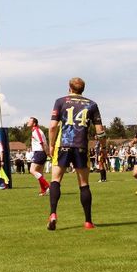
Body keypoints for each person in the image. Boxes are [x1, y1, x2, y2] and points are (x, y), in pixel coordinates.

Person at [46, 77, 105, 231]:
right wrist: (103, 148)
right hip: (81, 146)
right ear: (83, 89)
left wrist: (51, 144)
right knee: (84, 184)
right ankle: (88, 222)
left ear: (69, 88)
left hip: (63, 145)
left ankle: (53, 214)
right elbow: (100, 131)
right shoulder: (92, 104)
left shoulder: (60, 101)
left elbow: (52, 127)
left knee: (56, 180)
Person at [27, 118, 50, 195]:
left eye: (30, 121)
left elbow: (42, 142)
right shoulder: (35, 131)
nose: (28, 122)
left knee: (32, 170)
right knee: (40, 172)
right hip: (40, 152)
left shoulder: (36, 131)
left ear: (34, 123)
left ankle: (47, 185)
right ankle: (43, 191)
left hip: (39, 152)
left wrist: (46, 152)